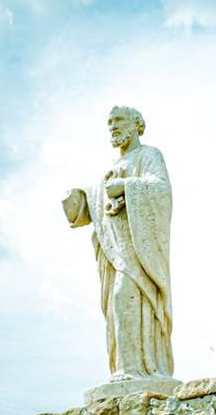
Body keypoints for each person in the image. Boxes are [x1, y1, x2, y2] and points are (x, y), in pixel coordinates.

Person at [62, 106, 174, 382]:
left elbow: (161, 189)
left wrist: (126, 186)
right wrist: (80, 198)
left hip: (139, 251)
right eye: (109, 122)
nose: (113, 126)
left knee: (126, 296)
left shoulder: (149, 155)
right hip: (114, 252)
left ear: (137, 124)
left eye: (119, 120)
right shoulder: (106, 170)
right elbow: (93, 206)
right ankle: (126, 367)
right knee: (115, 305)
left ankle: (139, 369)